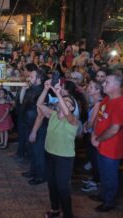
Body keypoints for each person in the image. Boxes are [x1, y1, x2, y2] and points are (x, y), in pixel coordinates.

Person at [37, 79, 79, 218]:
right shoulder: (53, 114)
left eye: (68, 102)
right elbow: (39, 104)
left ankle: (68, 214)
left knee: (62, 187)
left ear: (72, 107)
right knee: (52, 184)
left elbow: (67, 112)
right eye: (62, 101)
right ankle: (55, 210)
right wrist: (45, 89)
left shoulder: (73, 120)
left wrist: (57, 93)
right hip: (49, 152)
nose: (64, 103)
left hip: (64, 157)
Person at [91, 74, 123, 212]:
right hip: (101, 144)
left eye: (106, 82)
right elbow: (99, 119)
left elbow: (114, 129)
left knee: (110, 176)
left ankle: (109, 201)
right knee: (103, 172)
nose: (103, 84)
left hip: (111, 148)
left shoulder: (120, 103)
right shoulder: (106, 99)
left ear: (117, 86)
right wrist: (94, 134)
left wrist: (97, 139)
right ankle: (103, 194)